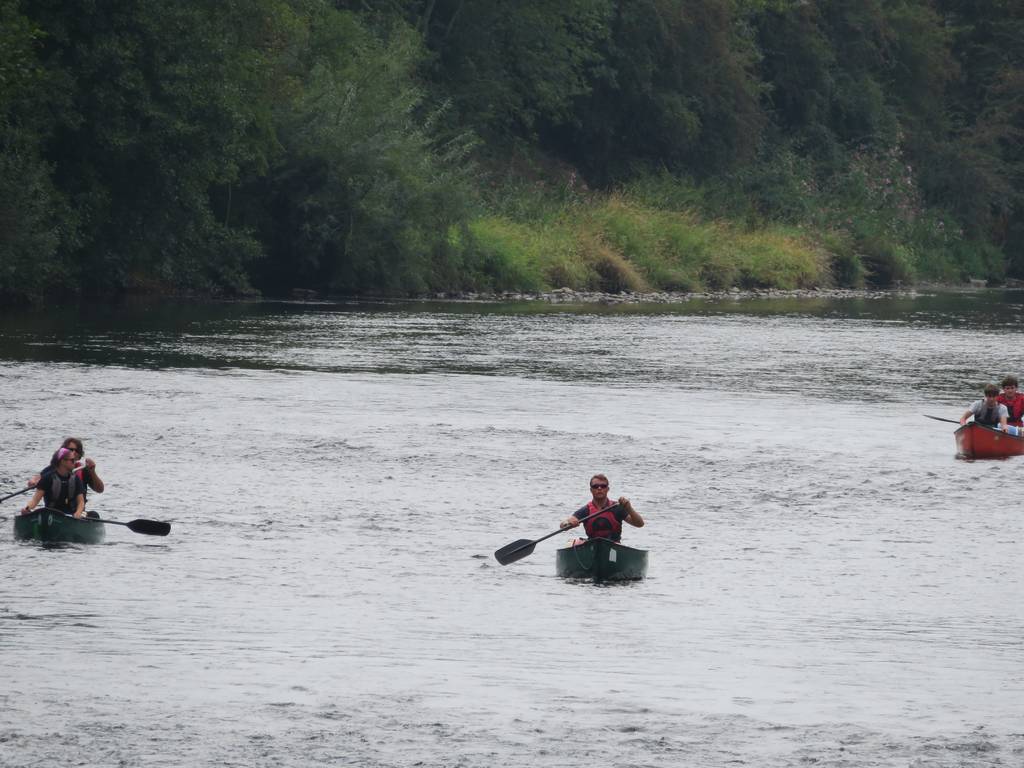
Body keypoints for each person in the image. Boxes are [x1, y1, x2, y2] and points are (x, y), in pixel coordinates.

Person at [559, 473, 644, 541]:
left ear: (607, 489)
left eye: (603, 486)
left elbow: (640, 524)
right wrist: (568, 522)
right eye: (595, 486)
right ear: (591, 490)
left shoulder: (617, 508)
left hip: (614, 546)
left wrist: (629, 508)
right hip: (592, 547)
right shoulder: (585, 510)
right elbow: (563, 526)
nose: (599, 488)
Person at [28, 436, 104, 500]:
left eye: (76, 451)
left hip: (77, 512)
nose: (73, 452)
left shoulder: (83, 470)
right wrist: (33, 481)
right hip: (54, 510)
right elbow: (38, 477)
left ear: (79, 455)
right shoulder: (53, 468)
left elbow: (100, 489)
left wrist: (92, 471)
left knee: (94, 515)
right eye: (70, 449)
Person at [22, 447, 85, 518]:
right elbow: (34, 501)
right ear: (62, 461)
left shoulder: (76, 479)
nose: (74, 463)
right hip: (51, 514)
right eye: (72, 460)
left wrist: (78, 513)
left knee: (94, 514)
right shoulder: (47, 478)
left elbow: (81, 502)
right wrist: (27, 508)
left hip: (71, 515)